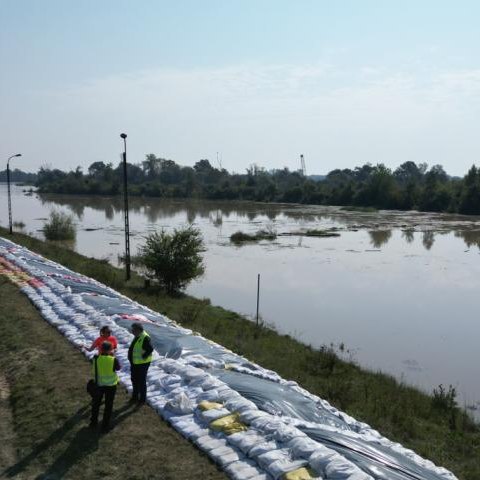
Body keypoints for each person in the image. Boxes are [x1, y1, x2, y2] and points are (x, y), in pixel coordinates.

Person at [90, 341, 121, 432]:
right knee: (108, 405)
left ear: (101, 349)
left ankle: (93, 422)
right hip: (111, 385)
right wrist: (113, 356)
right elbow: (118, 368)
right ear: (110, 350)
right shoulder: (113, 359)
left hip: (99, 384)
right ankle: (105, 425)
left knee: (96, 404)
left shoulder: (95, 358)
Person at [128, 323, 153, 404]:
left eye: (133, 330)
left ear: (138, 330)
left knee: (141, 381)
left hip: (142, 364)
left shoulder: (145, 337)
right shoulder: (138, 336)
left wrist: (143, 357)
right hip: (135, 363)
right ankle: (135, 397)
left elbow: (150, 349)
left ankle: (142, 400)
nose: (132, 331)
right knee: (134, 380)